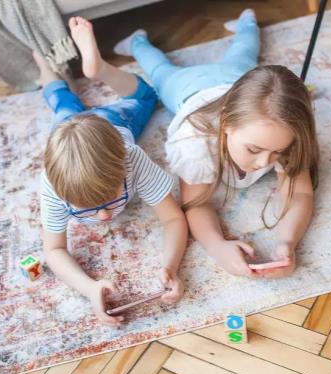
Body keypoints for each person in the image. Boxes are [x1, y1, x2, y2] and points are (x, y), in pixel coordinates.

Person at [115, 9, 319, 278]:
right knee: (160, 71)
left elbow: (300, 193)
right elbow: (196, 203)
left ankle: (248, 23)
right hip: (188, 88)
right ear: (227, 126)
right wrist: (218, 246)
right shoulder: (194, 145)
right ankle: (138, 42)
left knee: (244, 54)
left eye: (277, 152)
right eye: (254, 150)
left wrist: (287, 242)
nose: (264, 163)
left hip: (236, 77)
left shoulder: (285, 130)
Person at [37, 17, 188, 326]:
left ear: (123, 165)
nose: (105, 217)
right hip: (65, 130)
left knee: (147, 95)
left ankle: (99, 69)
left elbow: (174, 217)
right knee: (60, 100)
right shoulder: (52, 184)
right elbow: (53, 250)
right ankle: (42, 64)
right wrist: (89, 288)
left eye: (110, 201)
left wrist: (172, 267)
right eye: (91, 208)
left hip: (111, 123)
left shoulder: (130, 156)